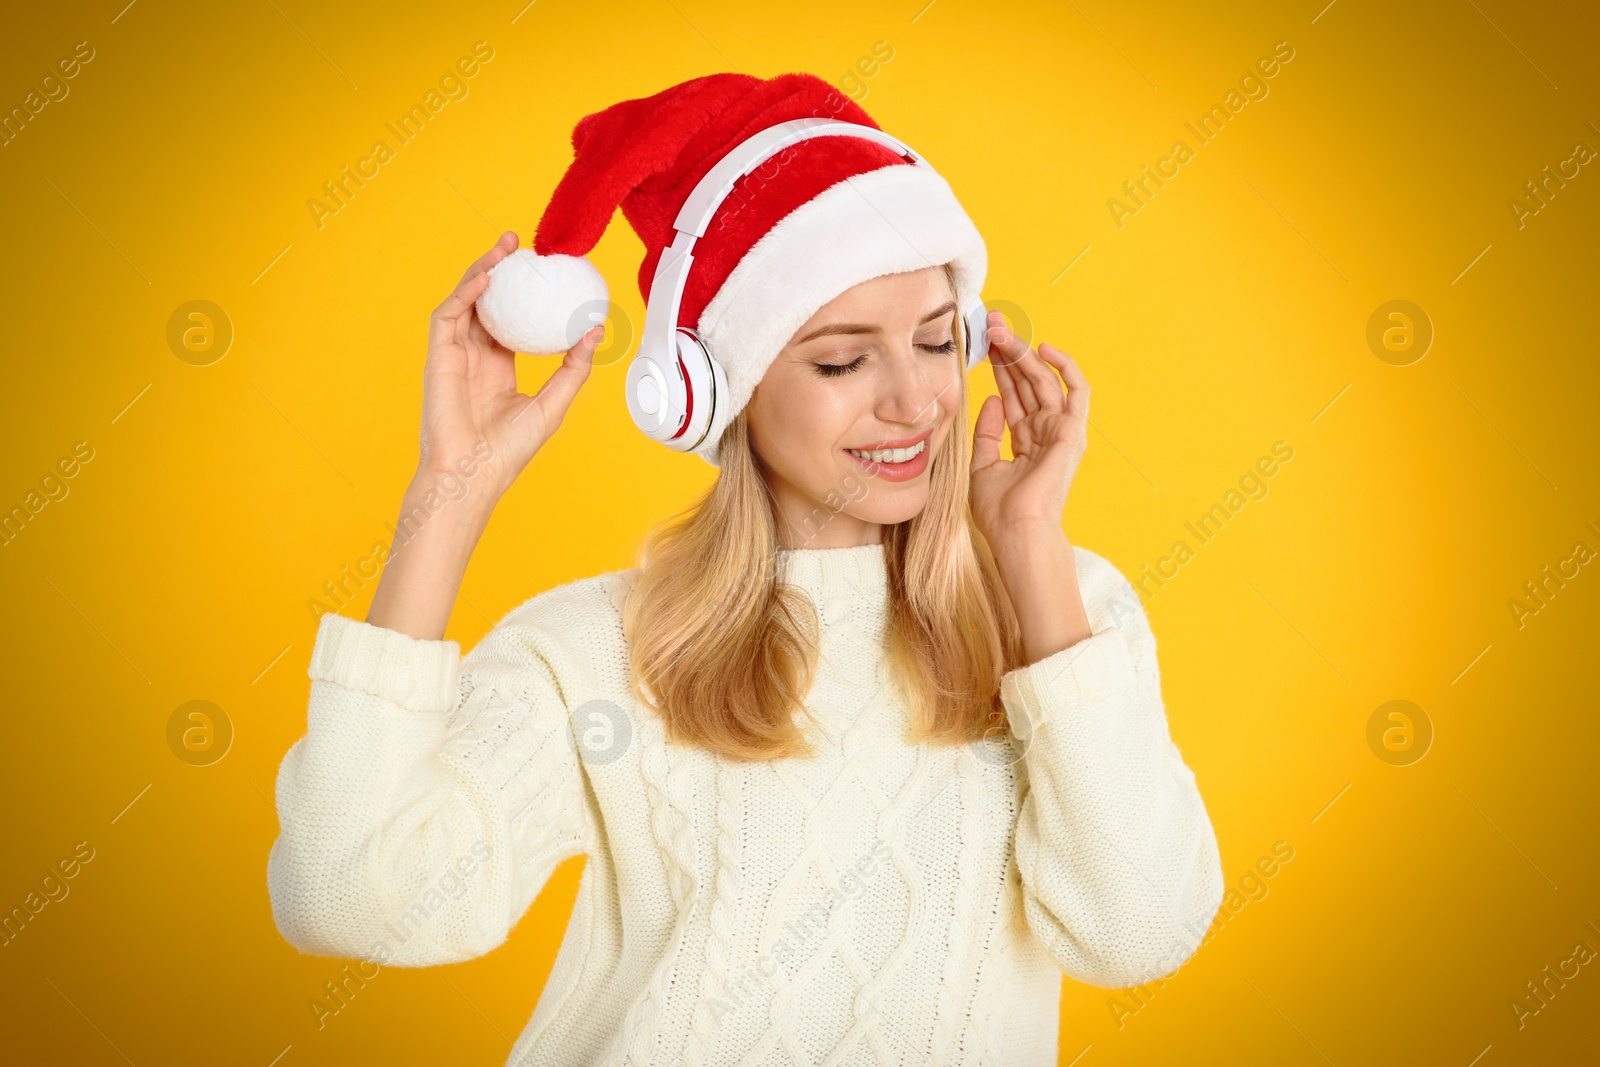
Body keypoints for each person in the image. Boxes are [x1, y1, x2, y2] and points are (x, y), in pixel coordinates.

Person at [267, 72, 1223, 1065]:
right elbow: (351, 897)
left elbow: (1136, 931)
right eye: (842, 361)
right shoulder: (594, 651)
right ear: (712, 387)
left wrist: (1028, 546)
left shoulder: (1068, 613)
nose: (916, 401)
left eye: (939, 341)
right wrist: (450, 495)